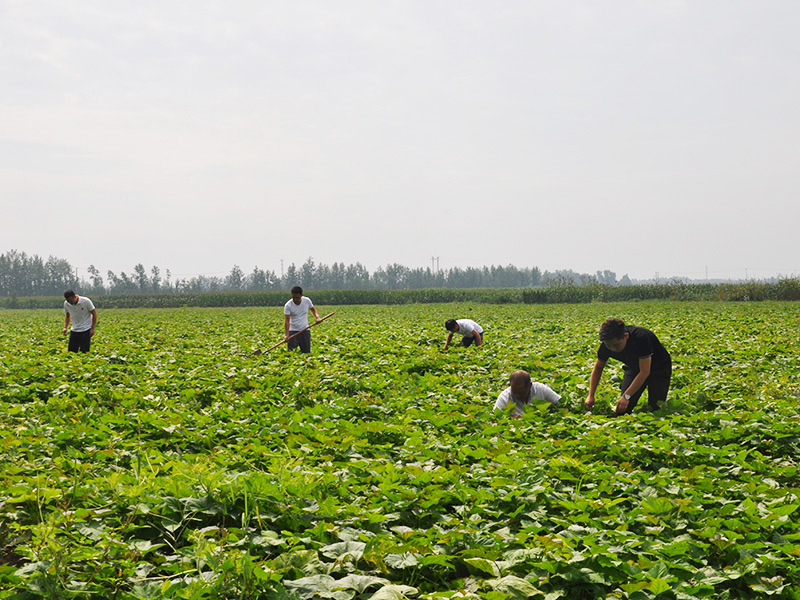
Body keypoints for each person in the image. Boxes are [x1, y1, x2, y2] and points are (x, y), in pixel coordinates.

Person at [585, 318, 672, 415]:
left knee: (656, 408)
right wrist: (591, 395)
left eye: (616, 345)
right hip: (634, 368)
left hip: (659, 368)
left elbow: (645, 372)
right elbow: (598, 368)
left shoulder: (641, 338)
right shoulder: (606, 346)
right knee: (623, 408)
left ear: (626, 336)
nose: (613, 349)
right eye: (609, 346)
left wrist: (626, 396)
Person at [494, 370, 561, 418]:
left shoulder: (540, 389)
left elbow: (561, 402)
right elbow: (495, 415)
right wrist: (510, 418)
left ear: (530, 386)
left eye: (521, 392)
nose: (517, 395)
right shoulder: (505, 396)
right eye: (514, 391)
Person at [283, 286, 321, 353]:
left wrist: (317, 317)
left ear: (301, 295)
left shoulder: (307, 301)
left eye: (297, 298)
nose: (295, 299)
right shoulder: (288, 305)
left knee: (306, 352)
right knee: (291, 353)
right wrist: (287, 335)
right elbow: (287, 320)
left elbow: (313, 310)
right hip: (293, 331)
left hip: (305, 330)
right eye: (293, 297)